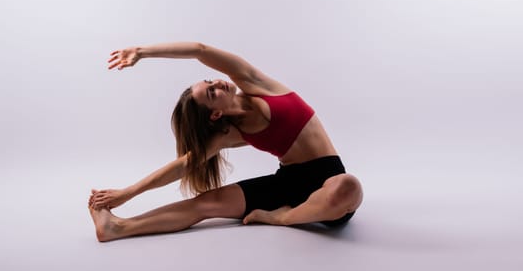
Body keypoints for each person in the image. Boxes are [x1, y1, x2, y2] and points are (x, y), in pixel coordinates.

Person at [88, 42, 363, 242]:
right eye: (212, 92)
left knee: (348, 186)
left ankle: (280, 217)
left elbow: (200, 50)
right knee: (204, 204)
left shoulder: (258, 85)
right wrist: (127, 193)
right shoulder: (230, 133)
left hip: (329, 183)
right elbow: (183, 166)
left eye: (211, 81)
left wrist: (142, 52)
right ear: (216, 113)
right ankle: (117, 229)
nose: (218, 83)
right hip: (288, 183)